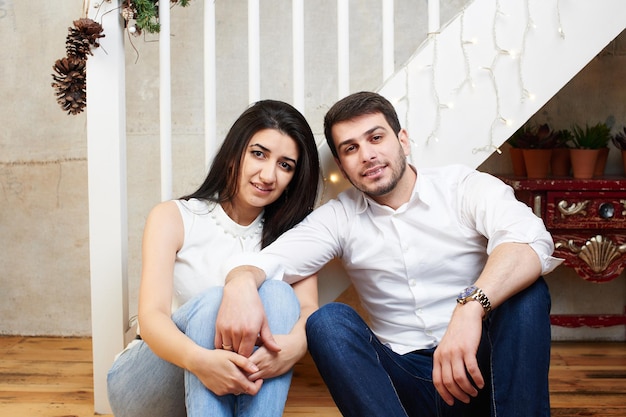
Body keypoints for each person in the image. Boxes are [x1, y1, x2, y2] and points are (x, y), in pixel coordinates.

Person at [215, 91, 563, 416]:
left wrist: (470, 308)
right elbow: (269, 261)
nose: (367, 155)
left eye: (376, 138)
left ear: (403, 140)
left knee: (528, 292)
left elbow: (529, 241)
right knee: (327, 322)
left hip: (483, 369)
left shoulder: (461, 187)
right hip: (403, 384)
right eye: (350, 148)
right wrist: (240, 283)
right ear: (341, 164)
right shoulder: (340, 217)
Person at [106, 99, 321, 417]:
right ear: (235, 154)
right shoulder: (173, 217)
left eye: (285, 165)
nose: (268, 174)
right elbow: (151, 319)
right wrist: (201, 361)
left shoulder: (292, 236)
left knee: (279, 294)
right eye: (258, 154)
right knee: (214, 303)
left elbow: (307, 311)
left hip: (236, 389)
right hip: (149, 384)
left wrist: (293, 348)